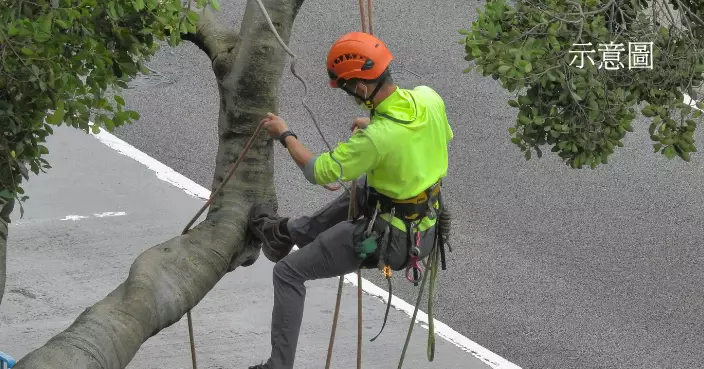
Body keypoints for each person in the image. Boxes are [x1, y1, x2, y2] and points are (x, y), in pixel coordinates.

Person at [246, 31, 453, 369]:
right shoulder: (429, 99)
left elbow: (319, 171)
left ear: (360, 87)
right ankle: (285, 234)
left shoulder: (377, 138)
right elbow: (424, 137)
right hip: (425, 227)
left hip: (391, 241)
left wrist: (284, 134)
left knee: (287, 274)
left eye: (348, 90)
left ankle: (278, 365)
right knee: (362, 190)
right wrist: (376, 124)